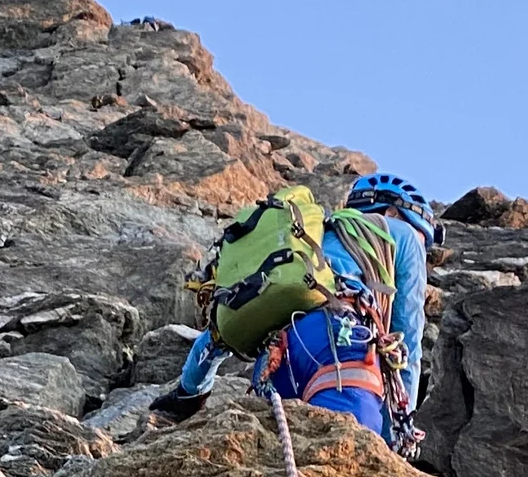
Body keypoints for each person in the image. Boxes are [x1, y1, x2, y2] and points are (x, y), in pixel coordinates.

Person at [152, 175, 440, 445]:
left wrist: (187, 394)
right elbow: (406, 343)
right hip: (339, 347)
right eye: (423, 238)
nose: (422, 249)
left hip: (276, 363)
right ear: (392, 212)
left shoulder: (302, 243)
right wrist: (396, 436)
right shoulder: (401, 234)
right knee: (348, 460)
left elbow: (218, 336)